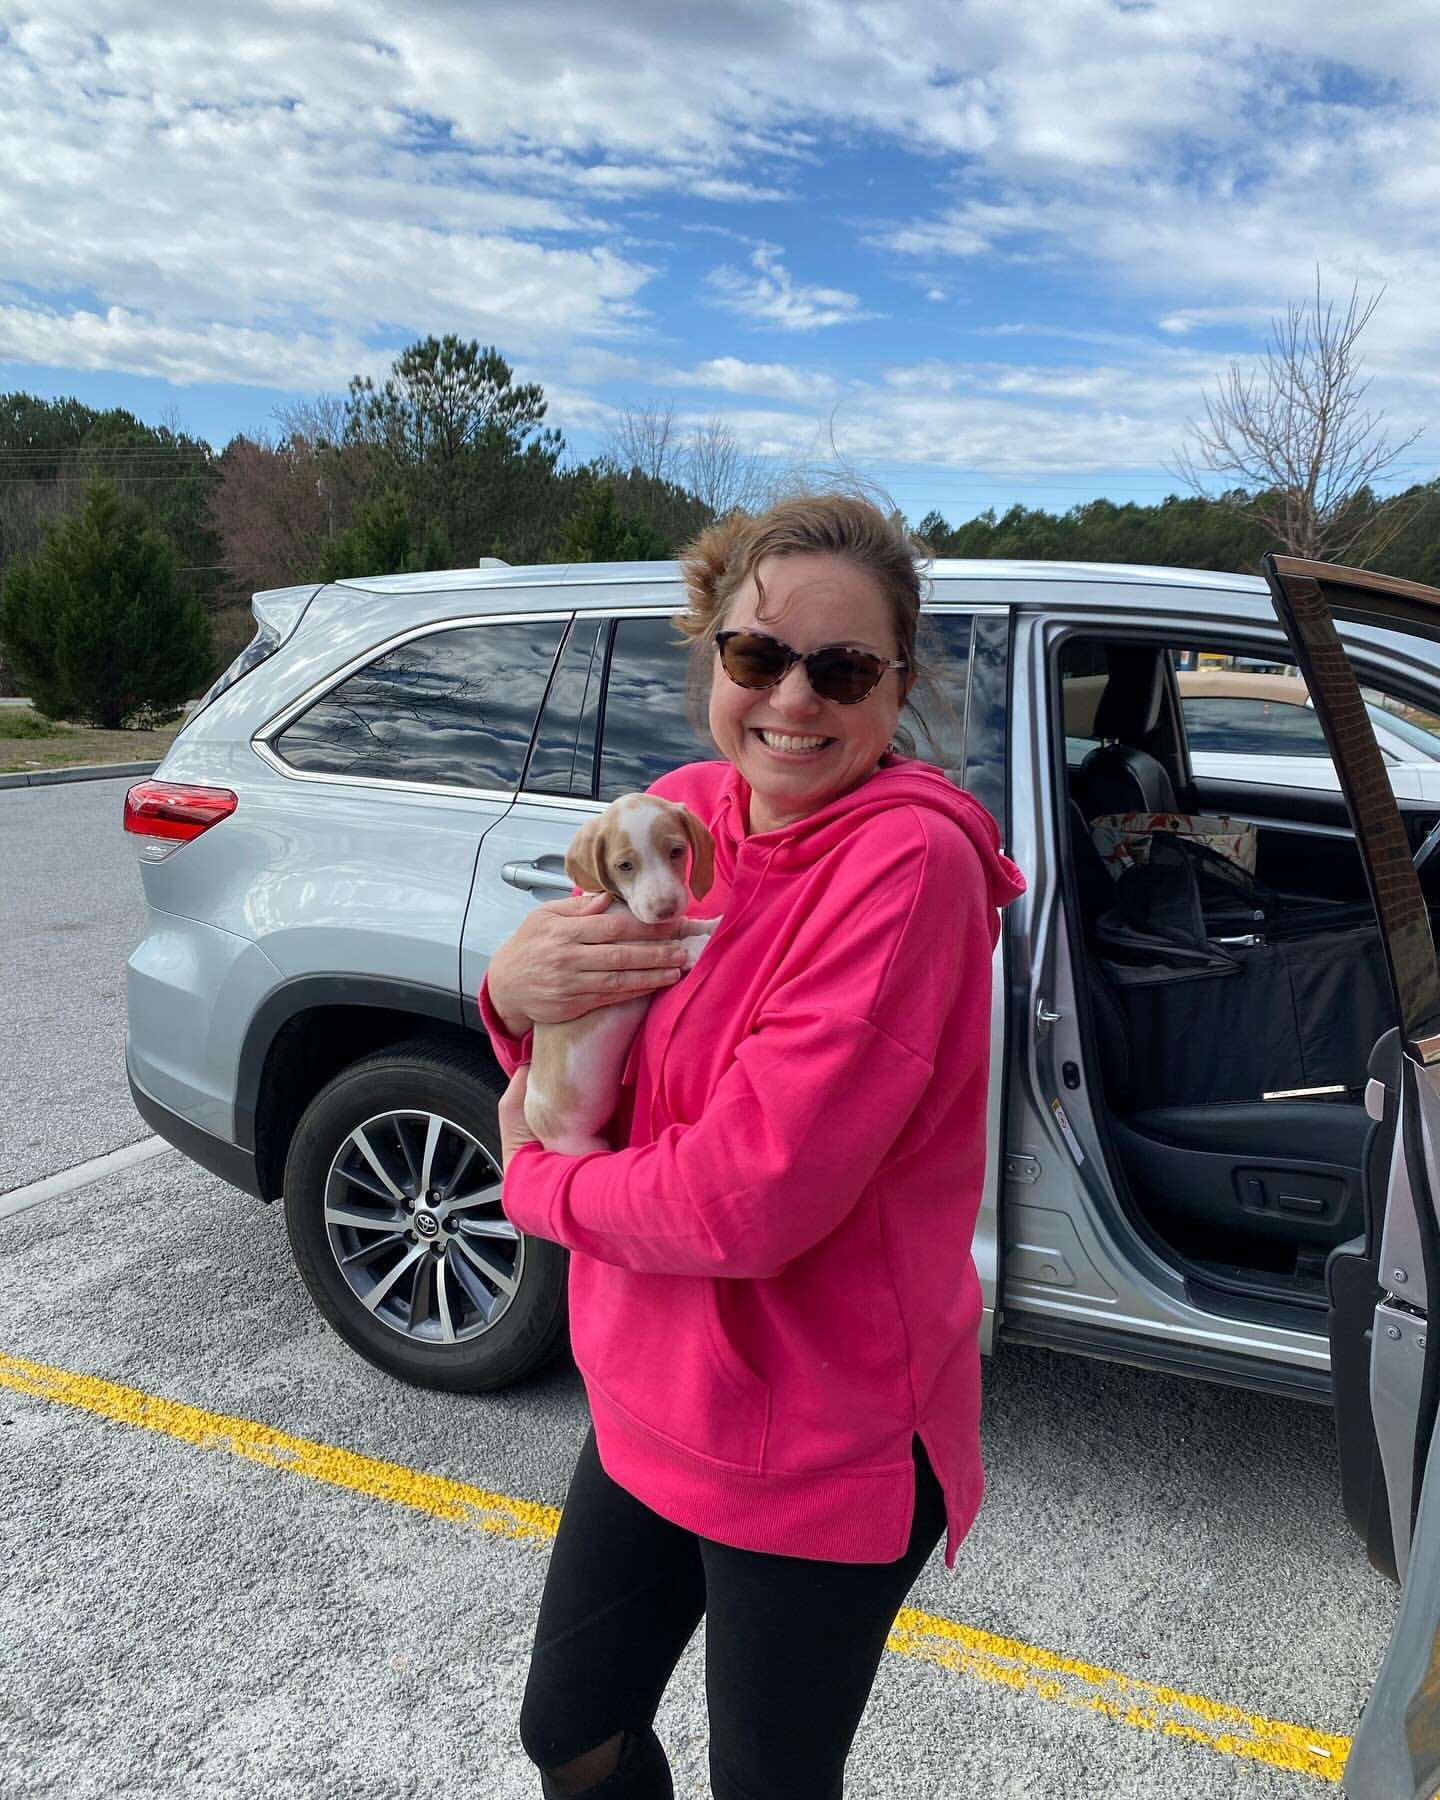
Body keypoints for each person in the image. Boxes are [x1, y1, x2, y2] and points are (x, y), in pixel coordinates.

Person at [478, 493, 1026, 1799]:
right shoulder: (677, 816)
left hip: (815, 1435)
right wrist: (504, 994)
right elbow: (585, 1050)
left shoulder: (907, 869)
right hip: (648, 1391)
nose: (791, 698)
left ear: (898, 690)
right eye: (757, 655)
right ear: (714, 655)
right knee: (569, 1733)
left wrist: (539, 1189)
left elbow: (749, 1199)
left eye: (841, 670)